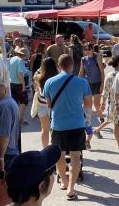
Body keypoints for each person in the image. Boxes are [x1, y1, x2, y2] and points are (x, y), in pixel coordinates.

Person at [43, 54, 93, 200]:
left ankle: (64, 183)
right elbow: (88, 107)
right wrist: (88, 126)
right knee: (76, 157)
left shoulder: (49, 82)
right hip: (77, 124)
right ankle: (71, 188)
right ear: (72, 65)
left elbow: (48, 106)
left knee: (59, 156)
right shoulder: (82, 83)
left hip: (58, 125)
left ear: (59, 65)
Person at [94, 55, 119, 148]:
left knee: (116, 124)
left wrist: (103, 104)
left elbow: (105, 91)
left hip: (114, 103)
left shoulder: (110, 75)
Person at [32, 58, 59, 148]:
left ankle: (45, 150)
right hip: (54, 106)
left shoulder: (39, 78)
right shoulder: (57, 77)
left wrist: (40, 68)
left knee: (44, 129)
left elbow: (35, 74)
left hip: (42, 105)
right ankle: (56, 150)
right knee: (56, 129)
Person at [79, 42, 106, 118]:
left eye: (89, 49)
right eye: (86, 49)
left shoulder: (97, 58)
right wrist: (77, 83)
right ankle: (88, 121)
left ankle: (101, 118)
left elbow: (102, 72)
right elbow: (81, 72)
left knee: (97, 104)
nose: (87, 51)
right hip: (87, 84)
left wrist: (102, 85)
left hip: (97, 83)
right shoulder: (83, 59)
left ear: (92, 49)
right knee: (87, 104)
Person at [10, 47, 30, 124]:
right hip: (18, 84)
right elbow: (20, 73)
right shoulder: (20, 61)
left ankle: (17, 118)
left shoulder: (12, 59)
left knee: (15, 102)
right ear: (24, 55)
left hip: (11, 83)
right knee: (24, 101)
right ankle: (19, 119)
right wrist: (23, 84)